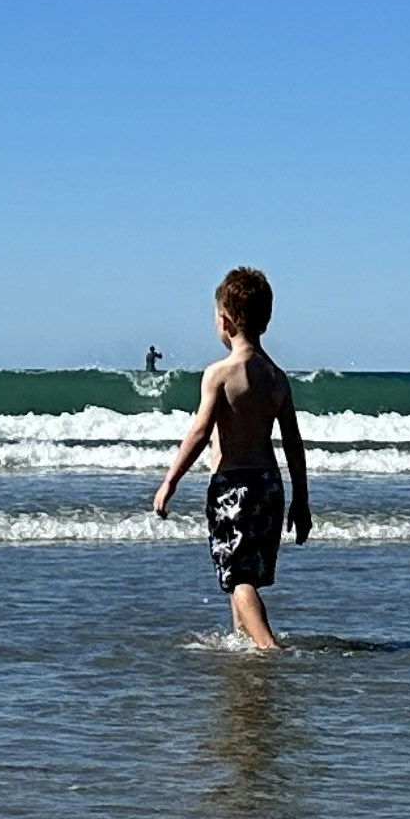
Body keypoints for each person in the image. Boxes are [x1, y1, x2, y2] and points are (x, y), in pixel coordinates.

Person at [149, 266, 310, 650]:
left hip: (232, 487)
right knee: (244, 576)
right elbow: (293, 443)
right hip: (270, 488)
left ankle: (267, 648)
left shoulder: (219, 374)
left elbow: (200, 431)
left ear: (224, 320)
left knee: (239, 578)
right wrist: (301, 500)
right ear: (265, 321)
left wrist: (170, 480)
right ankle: (245, 646)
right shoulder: (276, 377)